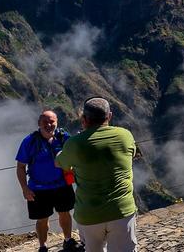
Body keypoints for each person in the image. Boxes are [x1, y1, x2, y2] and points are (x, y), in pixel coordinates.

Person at [55, 97, 138, 252]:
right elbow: (132, 155)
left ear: (84, 119)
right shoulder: (125, 136)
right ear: (110, 116)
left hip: (89, 215)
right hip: (121, 211)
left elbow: (59, 163)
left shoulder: (75, 143)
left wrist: (65, 149)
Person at [15, 110, 81, 252]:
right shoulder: (29, 141)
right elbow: (20, 166)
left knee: (64, 213)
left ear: (57, 122)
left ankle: (68, 240)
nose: (49, 125)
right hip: (38, 188)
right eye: (45, 122)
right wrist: (25, 188)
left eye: (52, 122)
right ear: (39, 124)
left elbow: (75, 156)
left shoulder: (64, 138)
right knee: (42, 218)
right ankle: (43, 246)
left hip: (62, 185)